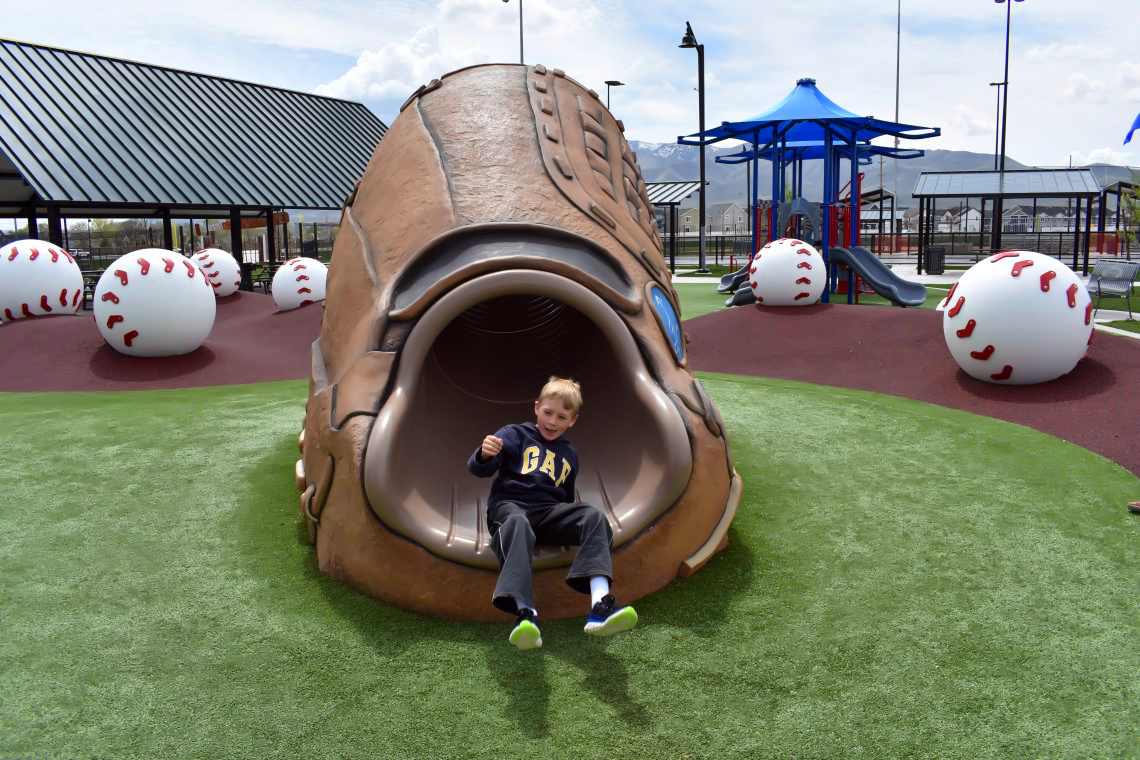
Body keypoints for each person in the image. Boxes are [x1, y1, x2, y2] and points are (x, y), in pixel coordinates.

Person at [467, 376, 638, 650]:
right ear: (537, 408)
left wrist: (568, 522)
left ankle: (600, 604)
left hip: (547, 514)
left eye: (561, 416)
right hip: (510, 508)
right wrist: (484, 454)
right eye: (548, 412)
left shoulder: (570, 455)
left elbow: (566, 499)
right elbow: (480, 469)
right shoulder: (514, 434)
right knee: (518, 523)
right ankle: (525, 614)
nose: (552, 421)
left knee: (593, 516)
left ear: (573, 421)